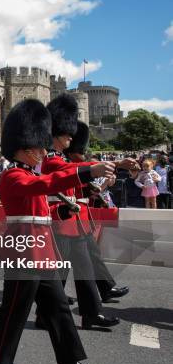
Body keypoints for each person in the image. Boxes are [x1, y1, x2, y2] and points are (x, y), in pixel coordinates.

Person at [0, 99, 108, 364]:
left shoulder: (29, 172)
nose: (44, 152)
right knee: (14, 310)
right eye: (40, 148)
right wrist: (87, 171)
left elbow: (43, 210)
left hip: (42, 250)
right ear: (26, 148)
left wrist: (62, 210)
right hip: (22, 251)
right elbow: (42, 186)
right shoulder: (12, 176)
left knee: (58, 309)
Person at [42, 95, 122, 330]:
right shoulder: (50, 159)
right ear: (56, 132)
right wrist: (107, 166)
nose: (70, 136)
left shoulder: (60, 156)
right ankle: (45, 314)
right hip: (60, 222)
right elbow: (69, 170)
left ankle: (91, 313)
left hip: (74, 221)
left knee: (85, 269)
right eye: (66, 132)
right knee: (57, 273)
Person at [63, 121, 129, 304]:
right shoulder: (68, 164)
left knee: (89, 255)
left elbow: (89, 189)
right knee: (67, 261)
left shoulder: (76, 163)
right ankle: (54, 300)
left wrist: (103, 184)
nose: (83, 154)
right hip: (68, 217)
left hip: (80, 216)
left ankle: (105, 288)